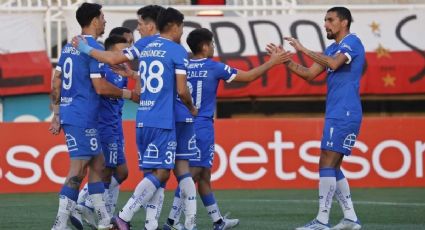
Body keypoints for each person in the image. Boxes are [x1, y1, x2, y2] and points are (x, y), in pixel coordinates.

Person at [163, 28, 290, 230]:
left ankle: (218, 221)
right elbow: (248, 77)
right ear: (204, 47)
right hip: (202, 125)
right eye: (212, 44)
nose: (213, 47)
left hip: (182, 124)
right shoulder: (214, 67)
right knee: (193, 174)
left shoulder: (182, 66)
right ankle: (171, 222)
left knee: (204, 175)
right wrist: (272, 62)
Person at [83, 7, 196, 230]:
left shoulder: (144, 46)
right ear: (173, 26)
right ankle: (123, 216)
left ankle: (150, 224)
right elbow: (182, 91)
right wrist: (192, 107)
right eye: (182, 27)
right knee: (162, 172)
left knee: (155, 176)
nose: (138, 28)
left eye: (140, 23)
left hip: (142, 117)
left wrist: (85, 48)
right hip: (163, 120)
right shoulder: (177, 51)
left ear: (153, 25)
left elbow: (115, 58)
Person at [268, 6, 364, 230]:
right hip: (336, 111)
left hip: (345, 111)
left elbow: (333, 64)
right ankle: (350, 218)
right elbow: (310, 74)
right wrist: (284, 60)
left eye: (330, 20)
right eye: (325, 20)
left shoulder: (352, 42)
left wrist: (302, 48)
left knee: (326, 161)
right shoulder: (332, 48)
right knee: (333, 164)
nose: (325, 24)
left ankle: (322, 220)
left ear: (344, 23)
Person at [49, 3, 137, 230]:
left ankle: (105, 220)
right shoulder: (91, 47)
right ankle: (59, 225)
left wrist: (57, 112)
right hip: (82, 115)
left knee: (98, 164)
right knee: (77, 170)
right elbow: (99, 87)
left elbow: (56, 80)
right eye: (103, 17)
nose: (105, 21)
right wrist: (128, 93)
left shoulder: (70, 46)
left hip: (76, 113)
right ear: (94, 20)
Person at [70, 32, 134, 229]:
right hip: (104, 125)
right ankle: (87, 206)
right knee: (106, 170)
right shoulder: (102, 69)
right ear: (110, 51)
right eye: (122, 50)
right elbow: (100, 89)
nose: (125, 54)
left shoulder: (121, 70)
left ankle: (85, 205)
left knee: (121, 172)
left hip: (115, 124)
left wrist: (130, 74)